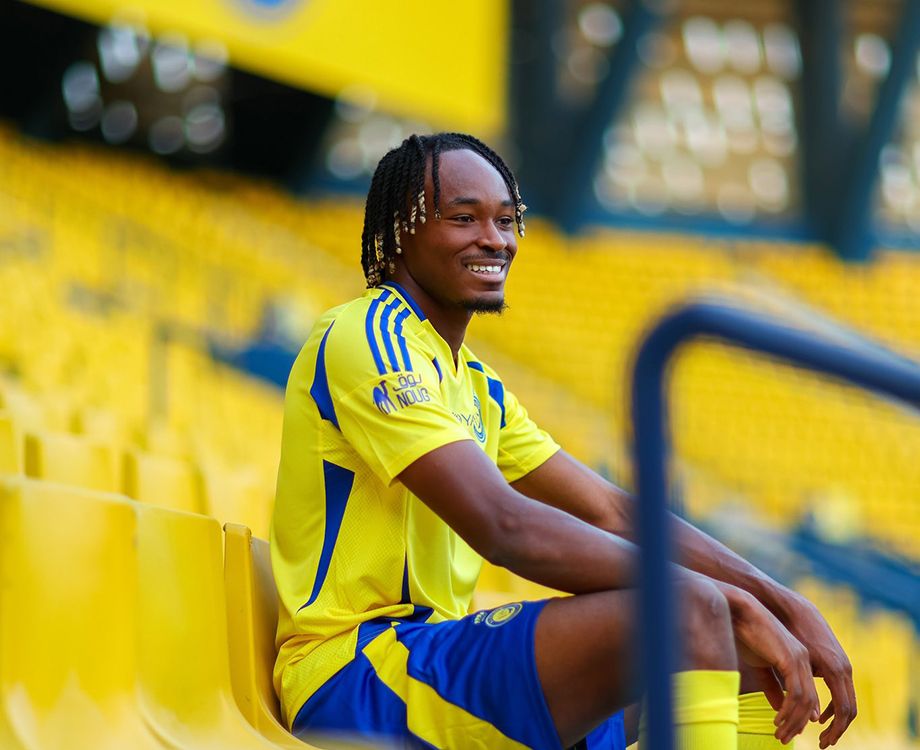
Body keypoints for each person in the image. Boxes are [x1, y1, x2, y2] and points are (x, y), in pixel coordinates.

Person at [270, 132, 856, 750]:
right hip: (351, 678)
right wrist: (718, 599)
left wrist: (779, 600)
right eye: (464, 218)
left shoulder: (477, 386)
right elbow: (503, 525)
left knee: (751, 663)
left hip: (433, 660)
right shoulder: (367, 336)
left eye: (506, 221)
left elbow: (610, 510)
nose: (494, 240)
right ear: (399, 231)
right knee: (691, 611)